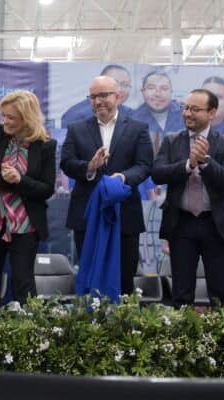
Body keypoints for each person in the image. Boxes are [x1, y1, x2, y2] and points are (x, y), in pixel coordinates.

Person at [60, 75, 153, 294]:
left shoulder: (138, 128)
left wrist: (122, 178)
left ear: (117, 96)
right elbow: (66, 163)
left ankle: (124, 316)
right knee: (89, 277)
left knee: (124, 279)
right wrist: (89, 167)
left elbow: (144, 165)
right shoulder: (76, 128)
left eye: (103, 95)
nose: (98, 101)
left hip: (125, 213)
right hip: (87, 214)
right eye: (93, 97)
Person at [152, 88, 224, 307]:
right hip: (181, 223)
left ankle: (221, 328)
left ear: (211, 113)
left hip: (216, 224)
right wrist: (188, 164)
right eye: (186, 108)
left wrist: (205, 162)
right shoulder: (172, 141)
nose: (188, 113)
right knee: (181, 292)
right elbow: (158, 174)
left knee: (220, 292)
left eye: (195, 109)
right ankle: (183, 328)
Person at [0, 90, 56, 309]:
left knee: (23, 282)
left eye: (11, 117)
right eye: (3, 116)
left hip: (26, 225)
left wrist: (20, 180)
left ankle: (27, 326)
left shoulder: (46, 145)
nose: (5, 121)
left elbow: (47, 188)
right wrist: (3, 178)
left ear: (27, 118)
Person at [61, 64, 134, 127]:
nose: (120, 89)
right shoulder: (77, 116)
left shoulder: (130, 114)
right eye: (115, 83)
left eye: (125, 85)